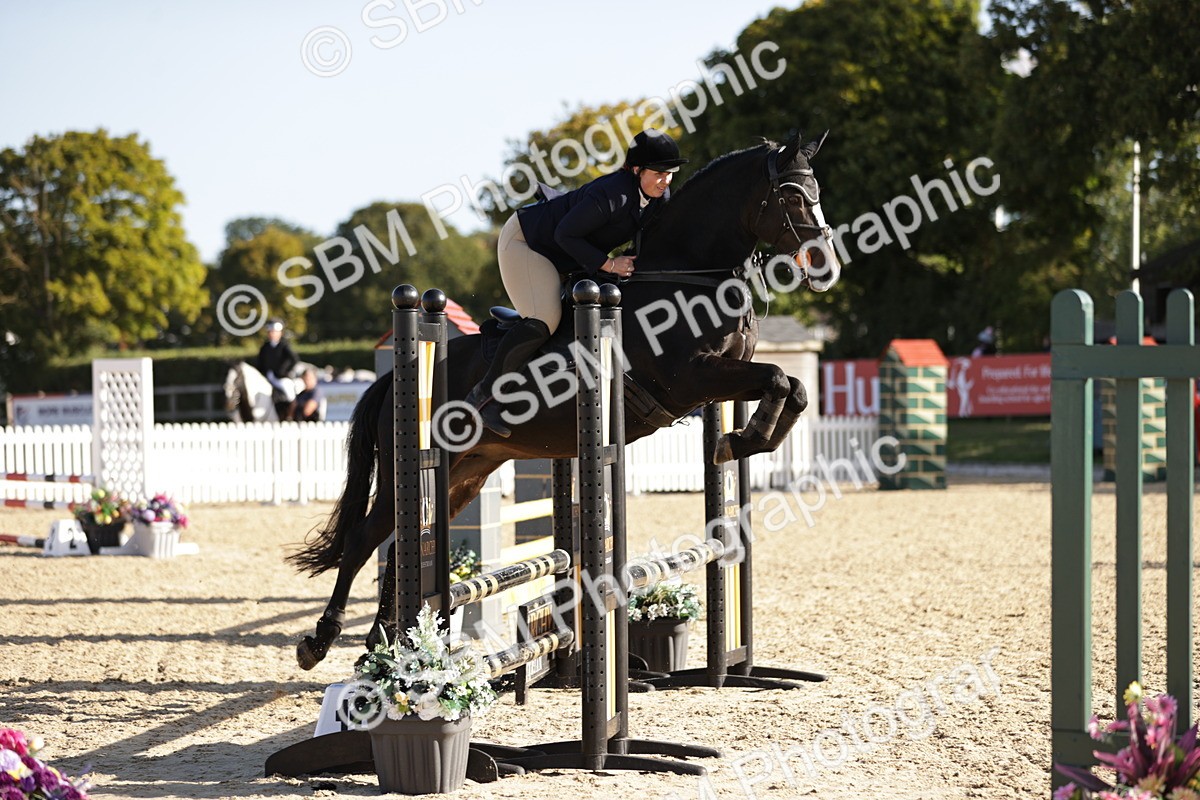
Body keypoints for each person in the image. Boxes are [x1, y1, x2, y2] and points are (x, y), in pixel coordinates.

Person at [465, 128, 688, 436]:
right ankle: (484, 396)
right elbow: (565, 234)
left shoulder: (658, 198)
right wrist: (609, 264)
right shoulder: (613, 193)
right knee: (545, 318)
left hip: (568, 254)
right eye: (659, 174)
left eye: (670, 174)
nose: (665, 181)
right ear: (637, 170)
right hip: (528, 244)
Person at [256, 319, 299, 420]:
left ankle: (290, 414)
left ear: (280, 333)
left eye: (274, 332)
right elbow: (259, 363)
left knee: (289, 391)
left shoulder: (284, 346)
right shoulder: (264, 347)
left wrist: (284, 371)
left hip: (281, 378)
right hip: (266, 377)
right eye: (270, 332)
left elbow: (294, 359)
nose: (271, 334)